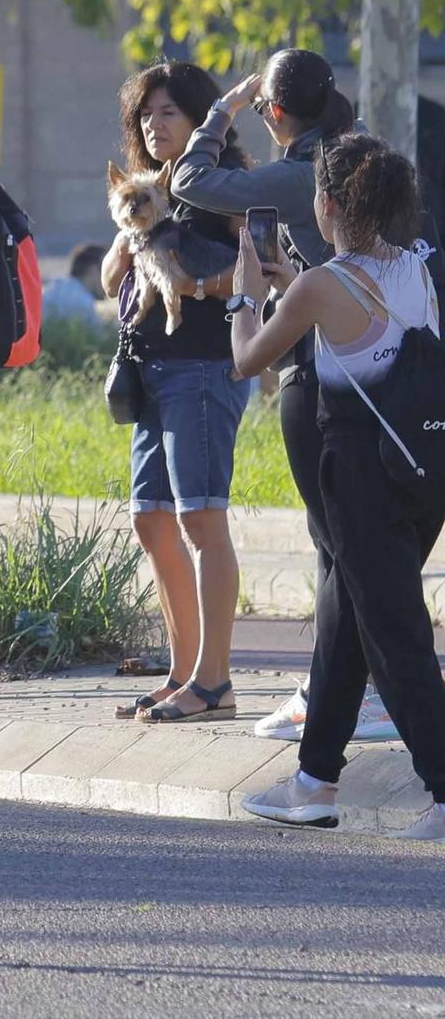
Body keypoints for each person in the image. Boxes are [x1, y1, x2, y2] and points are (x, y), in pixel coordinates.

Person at [170, 49, 402, 743]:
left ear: (275, 111)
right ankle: (343, 688)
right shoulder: (365, 158)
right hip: (380, 363)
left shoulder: (306, 171)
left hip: (324, 363)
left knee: (338, 539)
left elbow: (190, 180)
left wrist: (223, 107)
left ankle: (358, 694)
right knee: (348, 537)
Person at [230, 134, 445, 841]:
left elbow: (247, 360)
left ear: (327, 203)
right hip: (421, 470)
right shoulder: (416, 267)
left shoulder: (323, 285)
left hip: (359, 477)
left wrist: (246, 293)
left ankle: (443, 789)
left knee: (395, 637)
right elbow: (362, 316)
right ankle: (314, 779)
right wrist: (293, 282)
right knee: (346, 625)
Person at [100, 60, 250, 723]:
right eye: (146, 114)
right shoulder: (144, 192)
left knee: (200, 516)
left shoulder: (222, 189)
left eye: (169, 112)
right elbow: (111, 279)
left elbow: (263, 273)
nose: (155, 124)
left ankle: (213, 681)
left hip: (203, 366)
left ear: (198, 118)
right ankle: (182, 669)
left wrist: (194, 285)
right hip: (150, 369)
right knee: (151, 518)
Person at [42, 242, 107, 326]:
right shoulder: (83, 303)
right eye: (107, 272)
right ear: (92, 270)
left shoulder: (55, 288)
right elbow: (98, 337)